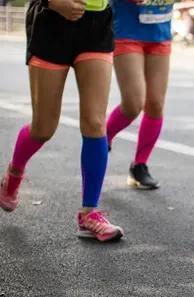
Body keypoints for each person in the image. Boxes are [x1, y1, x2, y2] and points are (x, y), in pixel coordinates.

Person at [0, 0, 123, 242]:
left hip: (96, 25)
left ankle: (89, 213)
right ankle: (13, 174)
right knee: (43, 128)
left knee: (95, 122)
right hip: (51, 23)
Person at [105, 0, 175, 190]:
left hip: (160, 31)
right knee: (134, 104)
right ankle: (103, 138)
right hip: (126, 30)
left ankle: (139, 166)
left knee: (155, 104)